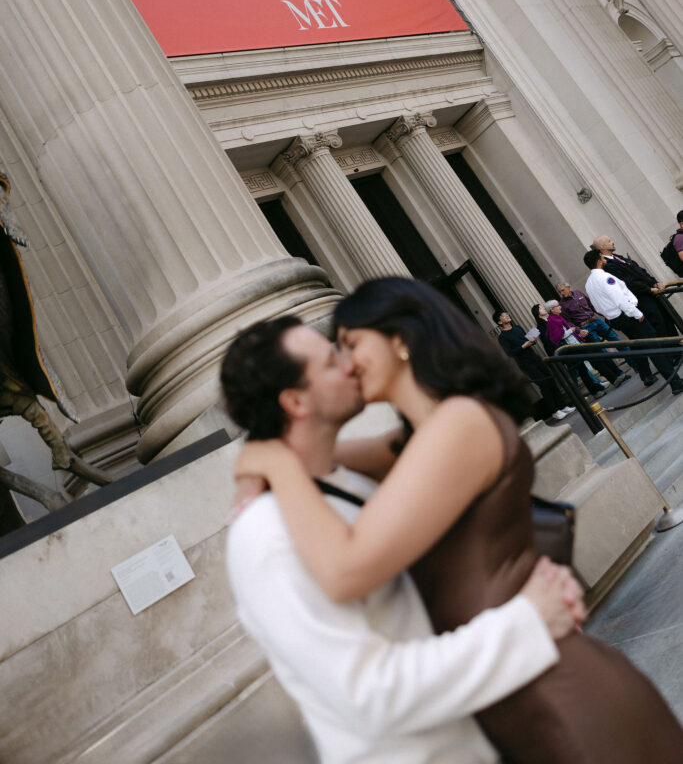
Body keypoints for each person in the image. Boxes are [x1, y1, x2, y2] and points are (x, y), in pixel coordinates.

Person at [235, 279, 683, 764]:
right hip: (509, 682)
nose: (344, 363)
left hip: (550, 692)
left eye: (348, 344)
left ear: (400, 341)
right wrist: (274, 453)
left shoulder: (457, 425)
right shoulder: (420, 439)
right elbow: (326, 456)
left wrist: (272, 461)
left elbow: (346, 566)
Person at [223, 316, 582, 764]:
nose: (350, 364)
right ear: (295, 400)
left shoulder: (343, 481)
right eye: (331, 360)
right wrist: (526, 621)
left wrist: (271, 459)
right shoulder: (265, 536)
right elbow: (368, 694)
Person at [584, 249, 683, 394]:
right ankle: (675, 383)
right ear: (599, 260)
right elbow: (619, 298)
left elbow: (597, 307)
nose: (604, 259)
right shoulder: (605, 278)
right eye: (601, 257)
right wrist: (636, 313)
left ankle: (649, 376)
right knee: (654, 348)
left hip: (617, 319)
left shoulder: (589, 283)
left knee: (639, 346)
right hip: (629, 315)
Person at [492, 308, 575, 422]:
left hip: (534, 357)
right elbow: (510, 353)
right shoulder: (502, 337)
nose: (507, 316)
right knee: (543, 384)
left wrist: (532, 340)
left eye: (507, 314)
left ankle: (563, 406)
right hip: (525, 362)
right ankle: (555, 411)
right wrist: (523, 346)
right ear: (499, 322)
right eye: (504, 316)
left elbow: (526, 340)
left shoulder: (517, 328)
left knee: (550, 380)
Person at [591, 234, 680, 338]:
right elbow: (628, 282)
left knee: (668, 321)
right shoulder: (608, 266)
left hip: (652, 294)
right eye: (609, 241)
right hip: (642, 299)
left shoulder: (618, 257)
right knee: (659, 325)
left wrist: (654, 283)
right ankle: (674, 352)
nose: (613, 242)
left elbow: (640, 271)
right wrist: (649, 289)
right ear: (602, 247)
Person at [555, 280, 636, 377]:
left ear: (568, 287)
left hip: (596, 321)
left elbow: (592, 305)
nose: (562, 293)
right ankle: (620, 374)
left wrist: (606, 315)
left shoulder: (578, 293)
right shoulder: (562, 305)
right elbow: (568, 322)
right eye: (559, 292)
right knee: (602, 351)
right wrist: (579, 330)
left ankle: (635, 365)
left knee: (617, 340)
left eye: (563, 290)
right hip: (585, 327)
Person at [543, 299, 627, 391]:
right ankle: (606, 384)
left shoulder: (558, 317)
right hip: (570, 348)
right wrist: (571, 330)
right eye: (557, 306)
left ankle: (610, 382)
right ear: (552, 310)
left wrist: (576, 333)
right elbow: (558, 336)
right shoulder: (553, 320)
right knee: (587, 367)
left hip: (575, 344)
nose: (560, 307)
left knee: (590, 364)